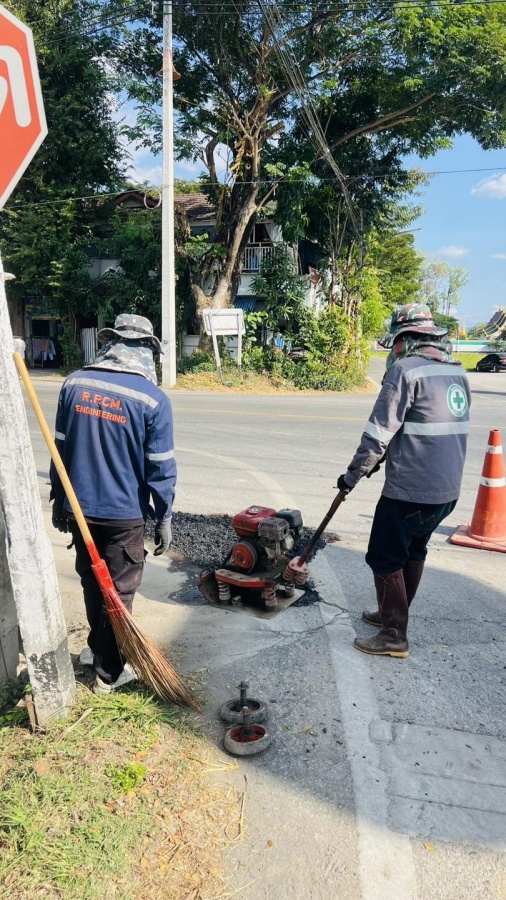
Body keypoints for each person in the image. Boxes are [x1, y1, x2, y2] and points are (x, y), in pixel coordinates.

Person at [50, 314, 177, 693]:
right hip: (123, 515)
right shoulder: (152, 399)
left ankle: (98, 648)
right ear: (147, 350)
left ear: (111, 344)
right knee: (118, 591)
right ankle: (109, 673)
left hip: (80, 509)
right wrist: (164, 516)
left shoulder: (74, 384)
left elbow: (60, 450)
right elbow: (160, 468)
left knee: (93, 582)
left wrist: (59, 498)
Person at [337, 303, 470, 659]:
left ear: (406, 340)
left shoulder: (405, 372)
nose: (393, 350)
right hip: (446, 492)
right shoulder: (455, 372)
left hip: (411, 491)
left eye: (395, 342)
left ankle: (394, 633)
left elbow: (378, 434)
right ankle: (392, 612)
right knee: (413, 551)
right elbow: (422, 426)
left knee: (383, 557)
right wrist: (380, 460)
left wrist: (352, 476)